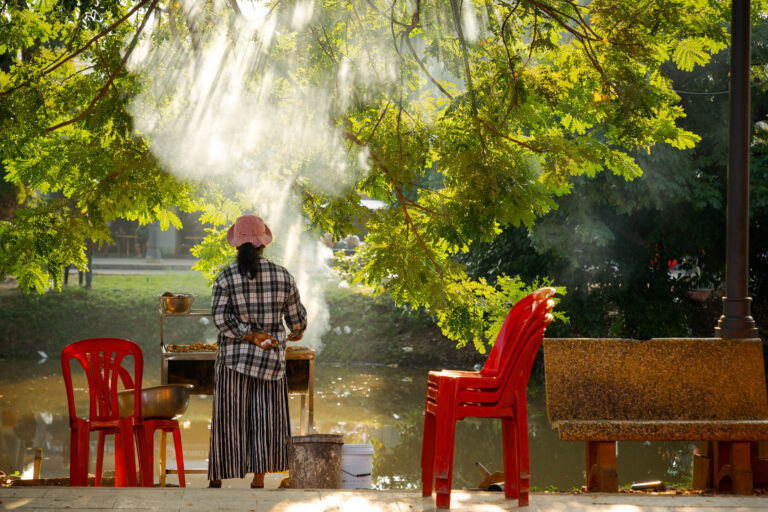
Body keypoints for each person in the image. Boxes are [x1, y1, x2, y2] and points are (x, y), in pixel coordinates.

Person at [208, 215, 307, 489]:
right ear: (263, 244)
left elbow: (220, 318)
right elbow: (297, 320)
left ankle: (217, 479)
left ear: (237, 245)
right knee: (265, 420)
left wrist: (248, 334)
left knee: (228, 418)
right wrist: (296, 330)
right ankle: (259, 479)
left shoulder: (226, 276)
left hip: (233, 361)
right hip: (271, 362)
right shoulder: (283, 275)